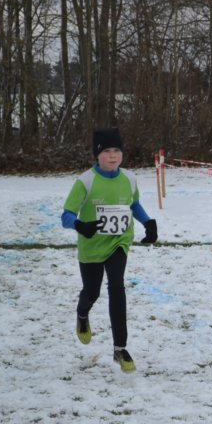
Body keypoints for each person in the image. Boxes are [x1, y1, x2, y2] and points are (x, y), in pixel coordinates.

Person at [61, 126, 158, 373]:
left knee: (117, 286)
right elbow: (66, 215)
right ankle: (82, 313)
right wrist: (80, 225)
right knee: (91, 292)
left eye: (117, 150)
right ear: (97, 154)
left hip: (119, 242)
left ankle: (120, 348)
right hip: (92, 247)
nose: (112, 156)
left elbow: (133, 205)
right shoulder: (85, 181)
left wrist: (148, 222)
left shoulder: (130, 179)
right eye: (106, 151)